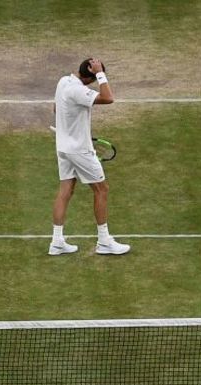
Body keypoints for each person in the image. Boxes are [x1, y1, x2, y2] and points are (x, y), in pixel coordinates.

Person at [50, 57, 129, 256]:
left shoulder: (63, 81)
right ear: (90, 78)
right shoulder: (78, 90)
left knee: (66, 189)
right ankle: (104, 242)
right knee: (101, 189)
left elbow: (56, 109)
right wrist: (101, 73)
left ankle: (57, 242)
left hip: (63, 146)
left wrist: (70, 126)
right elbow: (108, 98)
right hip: (79, 149)